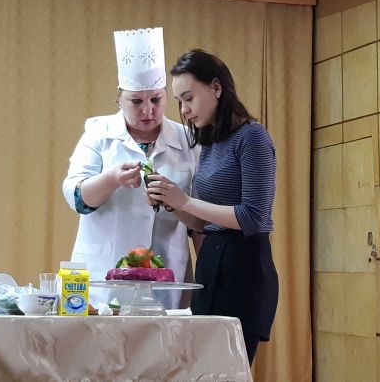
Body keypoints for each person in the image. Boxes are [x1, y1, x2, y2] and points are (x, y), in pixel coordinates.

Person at [146, 49, 278, 365]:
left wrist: (185, 200)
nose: (184, 110)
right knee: (201, 370)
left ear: (216, 88)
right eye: (179, 102)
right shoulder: (210, 143)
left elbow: (253, 217)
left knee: (228, 370)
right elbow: (203, 223)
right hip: (210, 263)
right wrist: (170, 203)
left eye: (189, 98)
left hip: (244, 267)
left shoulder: (253, 137)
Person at [62, 28, 198, 309]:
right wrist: (111, 178)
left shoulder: (187, 140)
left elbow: (200, 217)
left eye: (156, 100)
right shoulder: (99, 133)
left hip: (166, 272)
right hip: (104, 272)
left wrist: (174, 200)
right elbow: (76, 197)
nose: (148, 110)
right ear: (120, 100)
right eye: (136, 101)